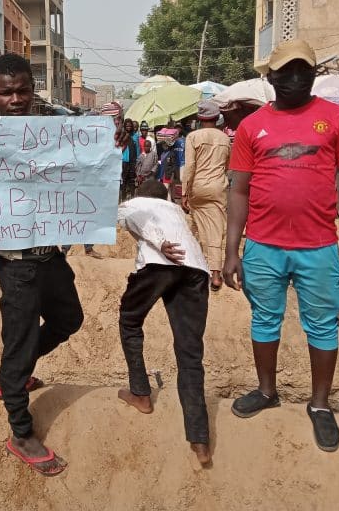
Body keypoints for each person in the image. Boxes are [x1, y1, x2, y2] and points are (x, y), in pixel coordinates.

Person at [0, 53, 125, 477]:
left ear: (33, 90)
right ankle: (21, 431)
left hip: (50, 256)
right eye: (7, 92)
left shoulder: (55, 135)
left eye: (23, 90)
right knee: (18, 344)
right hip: (16, 266)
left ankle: (11, 377)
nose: (16, 99)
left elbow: (89, 171)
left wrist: (109, 145)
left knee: (70, 320)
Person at [223, 39, 339, 452]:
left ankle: (320, 405)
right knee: (264, 320)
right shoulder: (252, 127)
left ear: (313, 75)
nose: (293, 78)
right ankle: (267, 391)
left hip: (319, 246)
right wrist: (231, 250)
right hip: (263, 247)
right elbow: (239, 191)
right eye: (284, 71)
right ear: (269, 77)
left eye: (302, 71)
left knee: (323, 325)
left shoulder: (338, 119)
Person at [117, 179, 212, 466]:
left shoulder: (133, 204)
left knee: (130, 321)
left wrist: (160, 243)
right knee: (190, 352)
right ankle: (200, 440)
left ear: (139, 194)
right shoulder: (175, 211)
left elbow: (132, 217)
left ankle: (140, 394)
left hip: (159, 265)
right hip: (195, 270)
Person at [182, 100, 231, 291]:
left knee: (197, 225)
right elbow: (228, 165)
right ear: (216, 117)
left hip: (197, 187)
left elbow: (190, 167)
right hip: (218, 187)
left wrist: (185, 192)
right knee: (216, 230)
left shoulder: (193, 137)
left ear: (199, 118)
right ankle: (216, 274)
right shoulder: (225, 138)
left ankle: (197, 267)